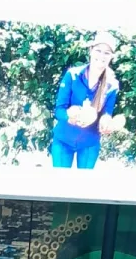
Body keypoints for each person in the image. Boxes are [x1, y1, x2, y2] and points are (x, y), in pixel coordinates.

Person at [50, 32, 120, 170]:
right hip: (63, 140)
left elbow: (106, 114)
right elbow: (59, 110)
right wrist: (69, 116)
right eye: (98, 50)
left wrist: (106, 124)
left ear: (111, 57)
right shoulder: (72, 75)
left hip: (89, 143)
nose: (102, 56)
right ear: (91, 51)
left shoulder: (112, 85)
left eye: (107, 53)